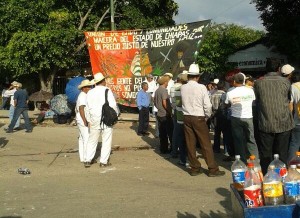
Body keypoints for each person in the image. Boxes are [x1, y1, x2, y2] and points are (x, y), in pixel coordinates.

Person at [181, 63, 225, 177]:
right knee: (205, 144)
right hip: (198, 117)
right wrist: (207, 116)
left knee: (190, 143)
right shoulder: (201, 87)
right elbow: (207, 105)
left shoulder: (183, 87)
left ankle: (195, 168)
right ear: (197, 76)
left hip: (186, 116)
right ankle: (212, 169)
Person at [254, 59, 294, 174]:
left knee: (266, 153)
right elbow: (288, 99)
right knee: (282, 153)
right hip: (283, 122)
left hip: (266, 122)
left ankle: (268, 177)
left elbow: (258, 100)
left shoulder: (258, 83)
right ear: (278, 69)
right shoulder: (286, 82)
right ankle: (281, 177)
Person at [86, 73, 119, 167]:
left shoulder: (90, 92)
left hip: (93, 119)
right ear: (103, 81)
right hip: (106, 118)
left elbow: (87, 108)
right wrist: (115, 116)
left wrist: (89, 120)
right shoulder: (107, 91)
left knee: (92, 140)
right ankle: (103, 162)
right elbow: (113, 106)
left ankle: (88, 159)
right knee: (106, 140)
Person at [225, 73, 259, 164]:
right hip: (248, 117)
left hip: (235, 118)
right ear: (244, 81)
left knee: (238, 141)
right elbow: (252, 101)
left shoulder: (230, 91)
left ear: (234, 81)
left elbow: (227, 103)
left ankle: (242, 162)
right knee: (251, 139)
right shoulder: (250, 91)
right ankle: (255, 161)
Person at [75, 79, 93, 167]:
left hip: (80, 118)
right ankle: (87, 158)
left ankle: (82, 157)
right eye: (88, 87)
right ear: (84, 88)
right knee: (87, 138)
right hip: (82, 118)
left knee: (82, 138)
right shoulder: (83, 96)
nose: (90, 88)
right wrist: (85, 120)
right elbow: (81, 108)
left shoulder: (83, 95)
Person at [172, 71, 189, 166]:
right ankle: (190, 159)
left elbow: (175, 104)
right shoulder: (198, 88)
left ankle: (183, 159)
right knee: (190, 140)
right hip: (192, 117)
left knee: (181, 139)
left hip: (180, 117)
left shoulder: (177, 89)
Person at [154, 76, 173, 154]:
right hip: (165, 114)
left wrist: (159, 108)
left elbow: (154, 101)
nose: (168, 83)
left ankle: (163, 148)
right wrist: (169, 111)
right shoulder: (164, 90)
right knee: (169, 132)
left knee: (162, 132)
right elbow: (164, 103)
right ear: (165, 82)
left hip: (159, 113)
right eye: (167, 82)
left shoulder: (157, 90)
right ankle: (169, 149)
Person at [288, 71, 300, 164]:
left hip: (297, 121)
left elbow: (290, 105)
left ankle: (291, 165)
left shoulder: (292, 87)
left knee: (295, 143)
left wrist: (290, 118)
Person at [211, 80, 226, 154]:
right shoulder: (225, 94)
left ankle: (216, 148)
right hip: (223, 115)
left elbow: (210, 106)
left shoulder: (213, 95)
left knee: (216, 133)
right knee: (225, 132)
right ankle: (227, 150)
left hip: (215, 115)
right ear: (223, 87)